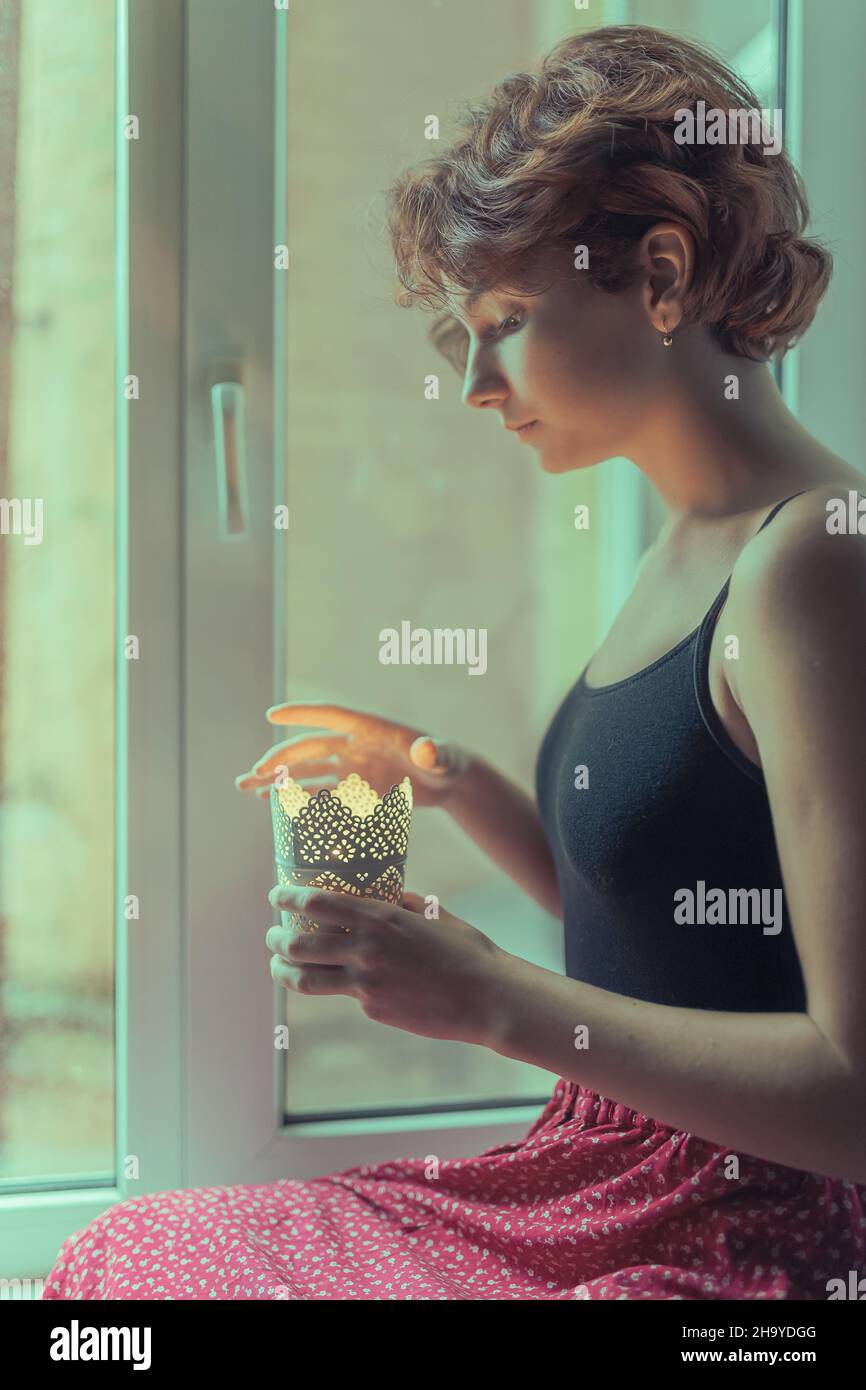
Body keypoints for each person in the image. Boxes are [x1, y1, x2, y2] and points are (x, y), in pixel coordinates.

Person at [44, 24, 866, 1301]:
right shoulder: (681, 545)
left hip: (739, 1234)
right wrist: (447, 777)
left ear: (660, 276)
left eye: (506, 322)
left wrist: (490, 999)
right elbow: (657, 926)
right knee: (121, 1254)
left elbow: (852, 1095)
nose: (475, 383)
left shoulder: (812, 560)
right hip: (589, 1180)